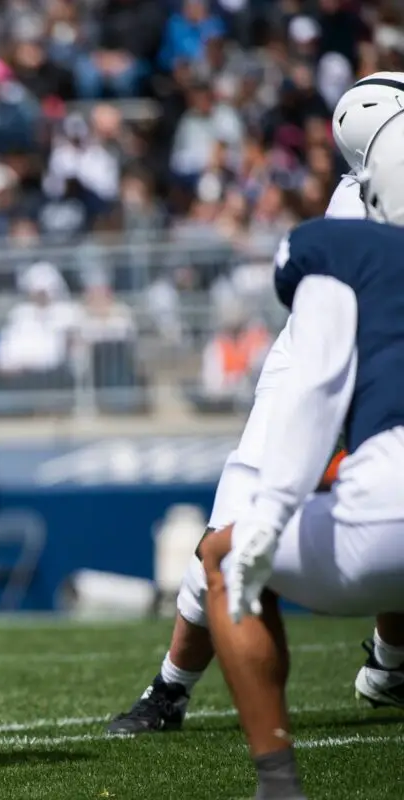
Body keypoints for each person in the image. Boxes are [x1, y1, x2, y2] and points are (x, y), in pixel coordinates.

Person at [107, 72, 404, 736]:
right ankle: (171, 687)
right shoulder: (357, 215)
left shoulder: (365, 193)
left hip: (363, 373)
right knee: (231, 536)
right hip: (322, 368)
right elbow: (327, 358)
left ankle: (385, 668)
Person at [201, 106, 404, 800]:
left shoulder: (347, 251)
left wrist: (271, 507)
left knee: (223, 558)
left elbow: (314, 389)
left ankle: (279, 783)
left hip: (389, 509)